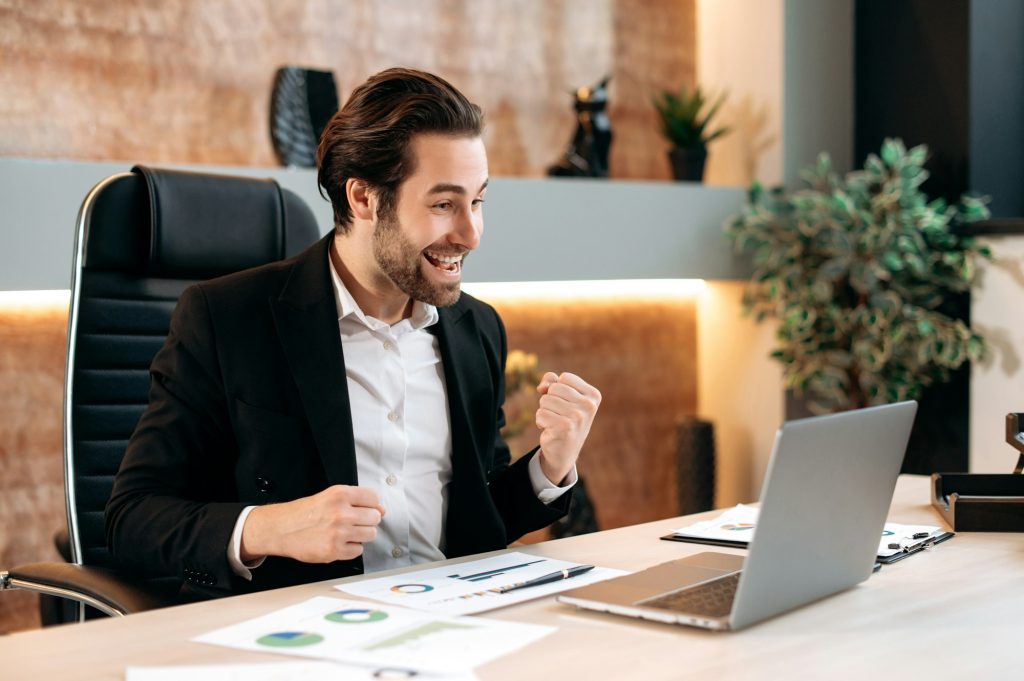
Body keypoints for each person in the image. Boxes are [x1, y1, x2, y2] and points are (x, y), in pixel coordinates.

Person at [105, 68, 602, 599]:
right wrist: (271, 527)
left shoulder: (475, 328)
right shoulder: (227, 318)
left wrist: (551, 465)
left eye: (477, 201)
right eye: (443, 204)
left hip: (452, 625)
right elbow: (132, 519)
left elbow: (479, 521)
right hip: (302, 636)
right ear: (364, 198)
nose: (471, 233)